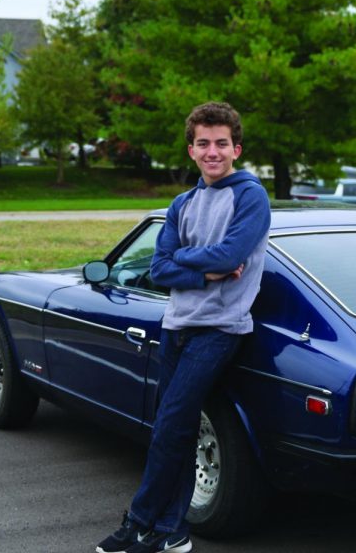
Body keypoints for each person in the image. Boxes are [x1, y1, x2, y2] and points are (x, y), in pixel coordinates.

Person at [96, 102, 271, 553]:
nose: (213, 152)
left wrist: (191, 261)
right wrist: (202, 270)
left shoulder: (251, 196)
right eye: (203, 144)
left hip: (220, 329)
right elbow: (159, 267)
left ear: (237, 148)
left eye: (221, 144)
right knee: (175, 428)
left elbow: (231, 256)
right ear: (191, 150)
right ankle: (171, 533)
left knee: (172, 423)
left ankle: (138, 522)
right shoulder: (183, 202)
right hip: (176, 325)